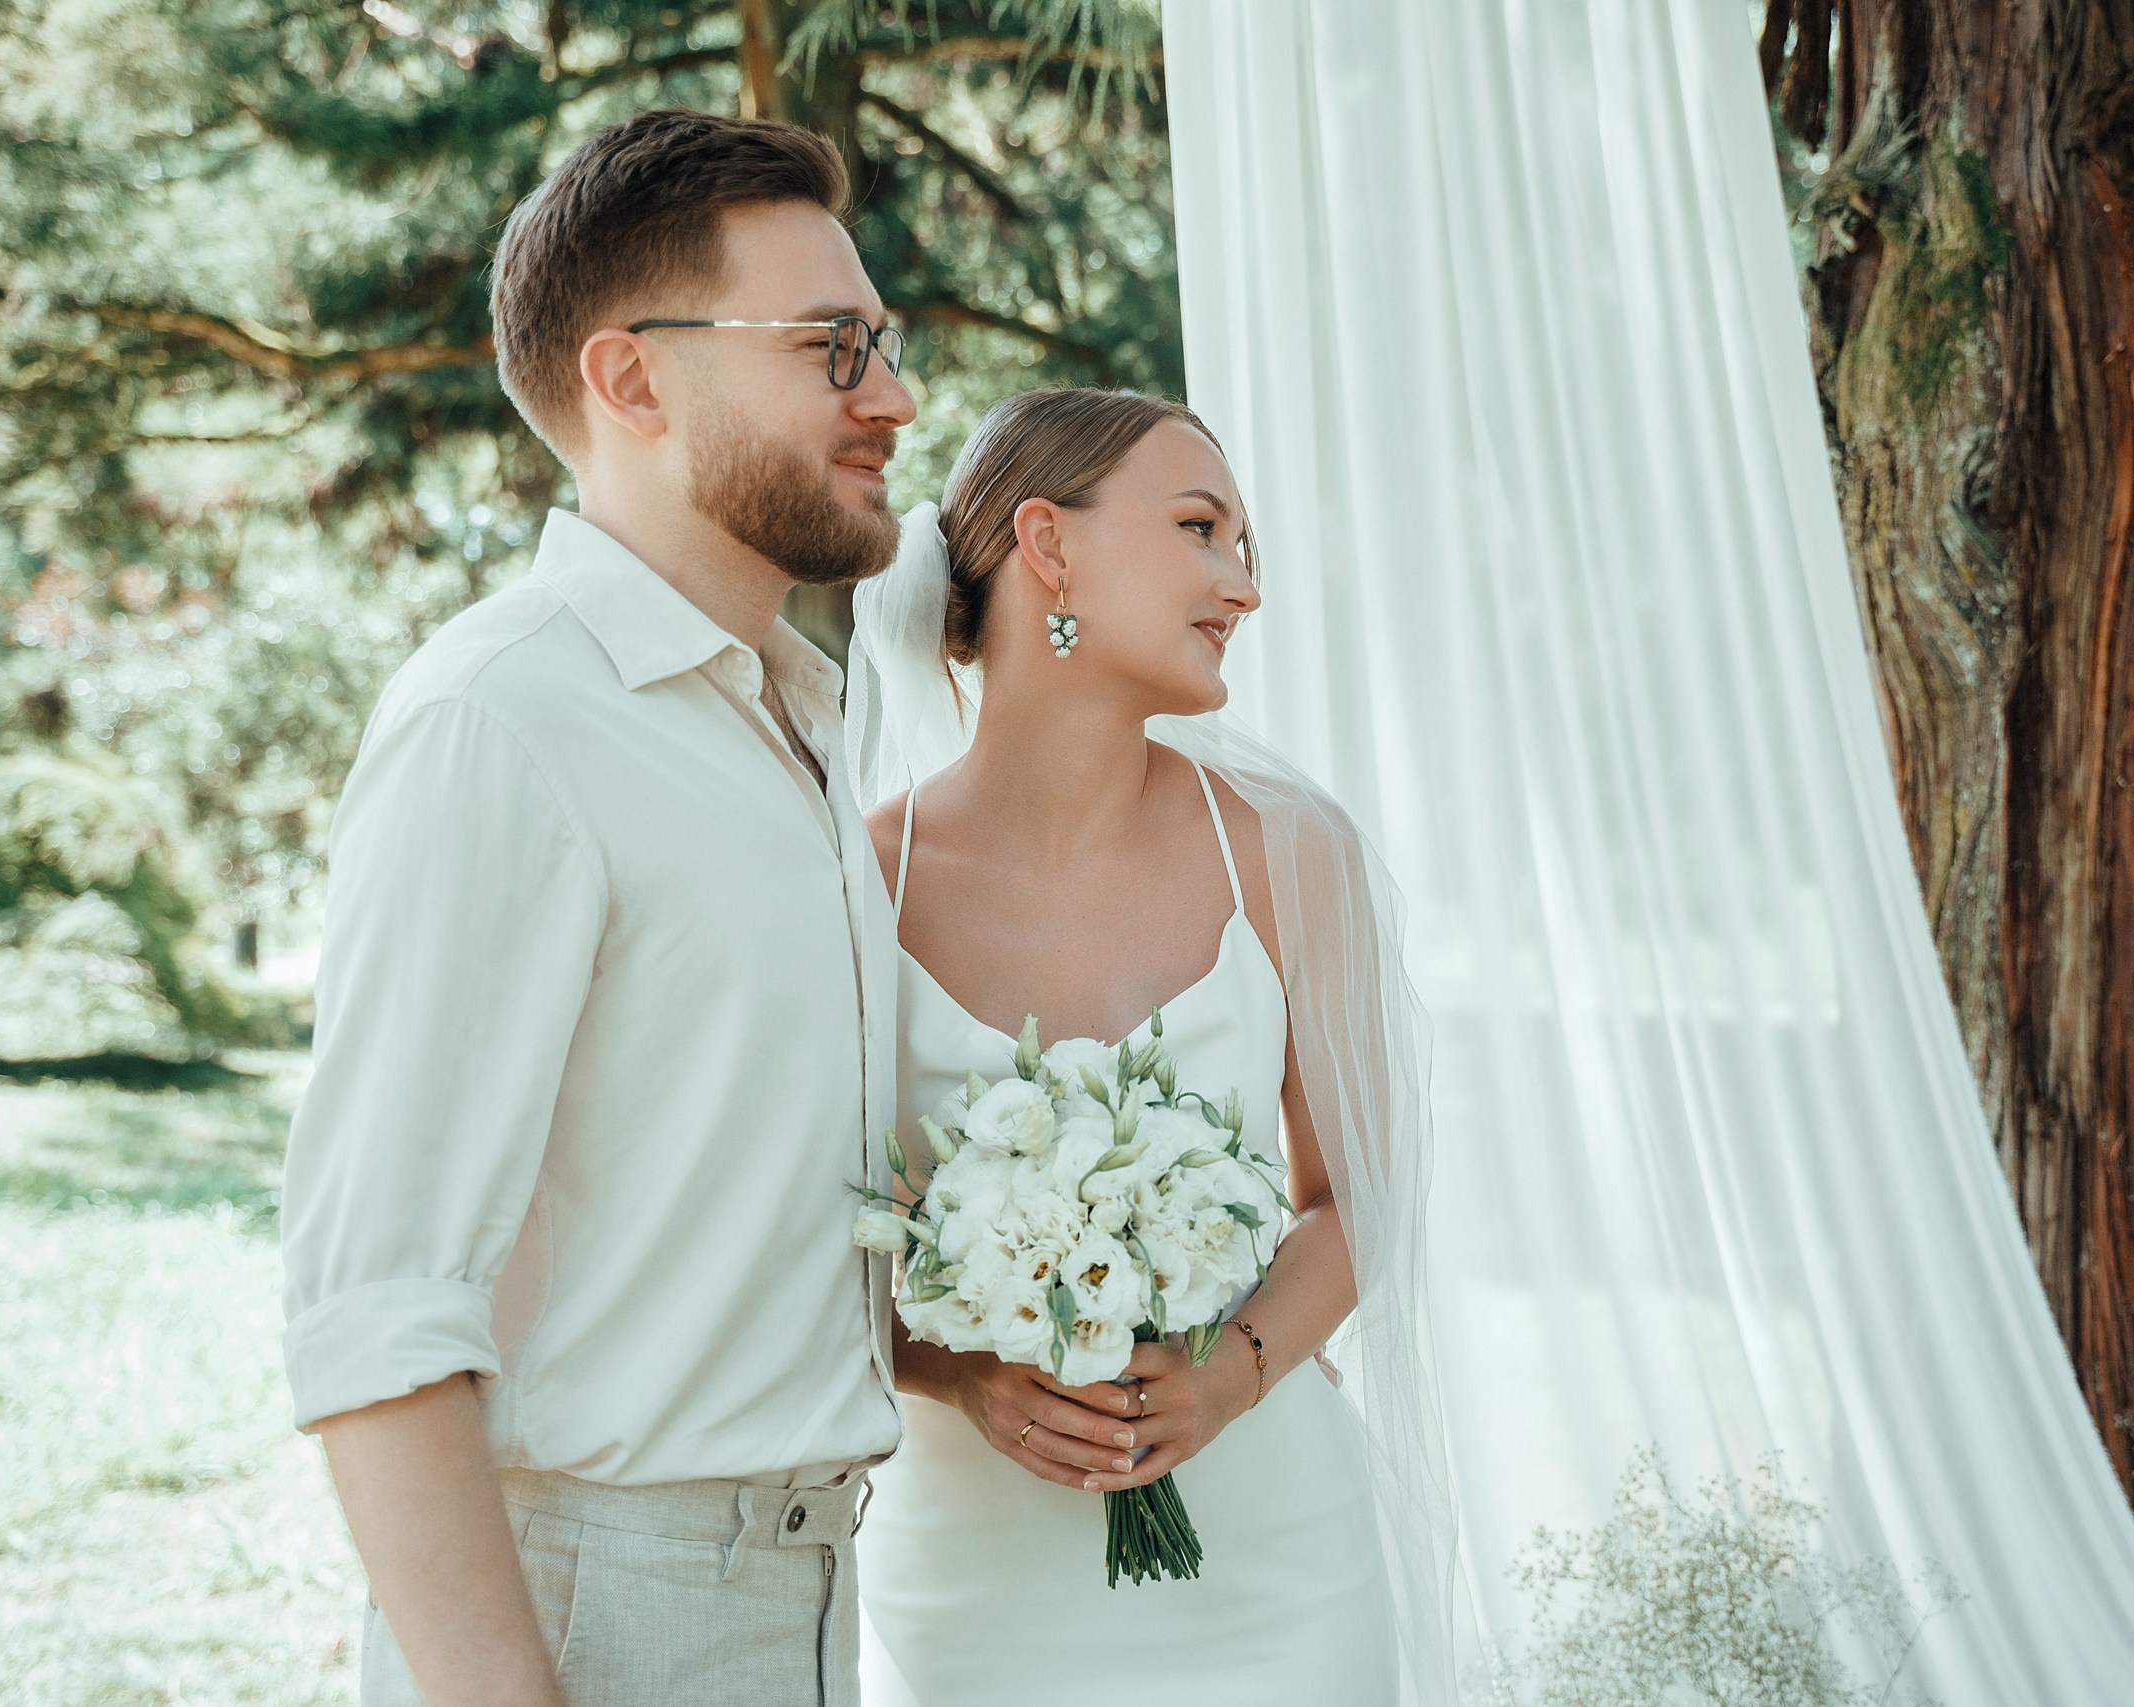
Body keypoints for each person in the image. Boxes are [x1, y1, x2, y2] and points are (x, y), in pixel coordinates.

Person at [277, 109, 916, 1707]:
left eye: (886, 343)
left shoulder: (803, 717)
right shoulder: (501, 717)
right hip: (600, 1620)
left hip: (813, 1598)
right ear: (632, 381)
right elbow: (376, 1311)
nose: (894, 399)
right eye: (831, 347)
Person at [843, 389, 1457, 1706]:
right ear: (1048, 546)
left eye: (1244, 546)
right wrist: (959, 1374)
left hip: (1275, 1565)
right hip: (975, 1583)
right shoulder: (859, 885)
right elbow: (798, 1241)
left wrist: (1226, 1382)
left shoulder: (1288, 854)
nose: (1243, 585)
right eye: (1199, 529)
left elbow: (1358, 1196)